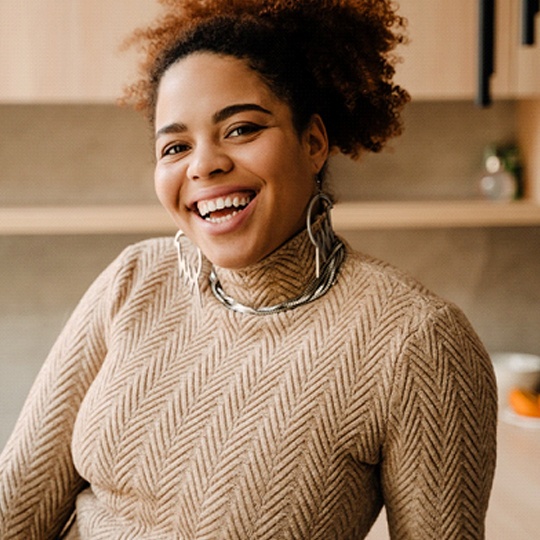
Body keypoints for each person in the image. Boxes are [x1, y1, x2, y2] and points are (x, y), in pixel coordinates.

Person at [0, 0, 497, 538]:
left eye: (240, 129)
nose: (203, 164)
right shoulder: (135, 280)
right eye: (175, 146)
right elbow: (17, 506)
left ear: (313, 142)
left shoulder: (416, 340)